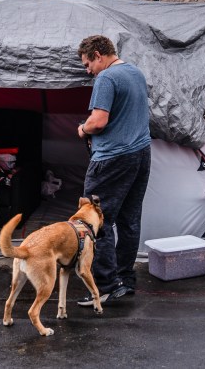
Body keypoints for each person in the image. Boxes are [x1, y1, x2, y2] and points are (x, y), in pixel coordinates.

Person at [75, 35, 152, 306]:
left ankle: (105, 285)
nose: (88, 71)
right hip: (141, 155)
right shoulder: (136, 73)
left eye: (88, 64)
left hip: (112, 159)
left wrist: (83, 129)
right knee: (130, 220)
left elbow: (98, 121)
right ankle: (124, 279)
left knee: (95, 221)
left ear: (98, 55)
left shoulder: (106, 78)